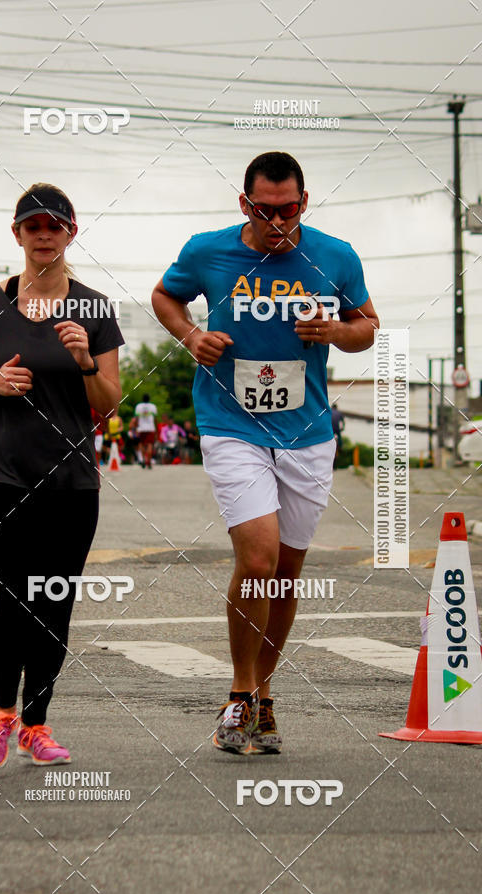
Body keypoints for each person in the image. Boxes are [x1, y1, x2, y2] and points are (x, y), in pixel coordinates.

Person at [152, 151, 379, 754]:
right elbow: (165, 297)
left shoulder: (335, 256)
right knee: (258, 561)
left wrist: (334, 332)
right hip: (232, 425)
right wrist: (192, 335)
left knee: (284, 575)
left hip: (307, 434)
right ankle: (239, 692)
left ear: (304, 203)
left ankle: (265, 698)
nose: (275, 221)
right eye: (262, 209)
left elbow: (367, 328)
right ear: (244, 203)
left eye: (286, 209)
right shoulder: (208, 250)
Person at [0, 183, 124, 767]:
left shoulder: (94, 308)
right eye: (32, 226)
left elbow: (110, 401)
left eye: (54, 226)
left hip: (71, 484)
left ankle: (36, 724)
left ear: (72, 231)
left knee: (54, 602)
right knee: (11, 599)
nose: (44, 235)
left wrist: (85, 360)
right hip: (0, 477)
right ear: (17, 234)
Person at [134, 393, 158, 468]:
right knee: (150, 444)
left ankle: (144, 459)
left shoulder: (138, 406)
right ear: (149, 399)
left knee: (141, 444)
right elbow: (155, 419)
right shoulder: (153, 406)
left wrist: (136, 428)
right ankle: (149, 461)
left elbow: (136, 419)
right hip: (150, 428)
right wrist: (156, 429)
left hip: (141, 428)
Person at [331, 403, 346, 468]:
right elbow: (343, 422)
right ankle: (340, 447)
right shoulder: (339, 413)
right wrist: (343, 428)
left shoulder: (329, 411)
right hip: (337, 429)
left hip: (330, 429)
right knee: (339, 437)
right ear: (336, 408)